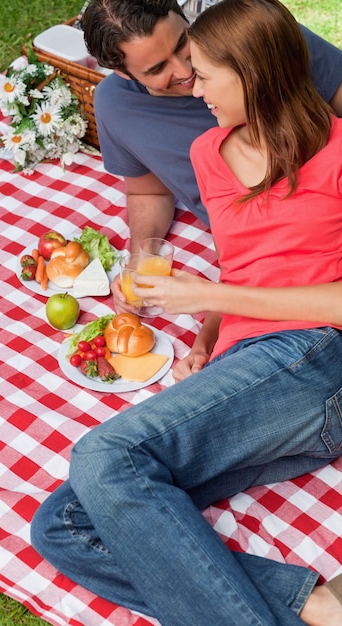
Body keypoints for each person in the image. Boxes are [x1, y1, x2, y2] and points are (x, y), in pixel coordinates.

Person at [31, 1, 342, 624]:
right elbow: (247, 267)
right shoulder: (207, 152)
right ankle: (314, 603)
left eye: (200, 72)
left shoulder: (336, 152)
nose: (190, 88)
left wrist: (206, 298)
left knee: (104, 457)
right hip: (266, 377)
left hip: (316, 357)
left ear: (250, 73)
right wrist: (209, 338)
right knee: (64, 523)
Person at [82, 0, 342, 312]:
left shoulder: (257, 42)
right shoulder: (115, 107)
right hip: (245, 267)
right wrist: (143, 256)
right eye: (157, 69)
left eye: (182, 44)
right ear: (122, 73)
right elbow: (147, 190)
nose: (184, 70)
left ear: (183, 16)